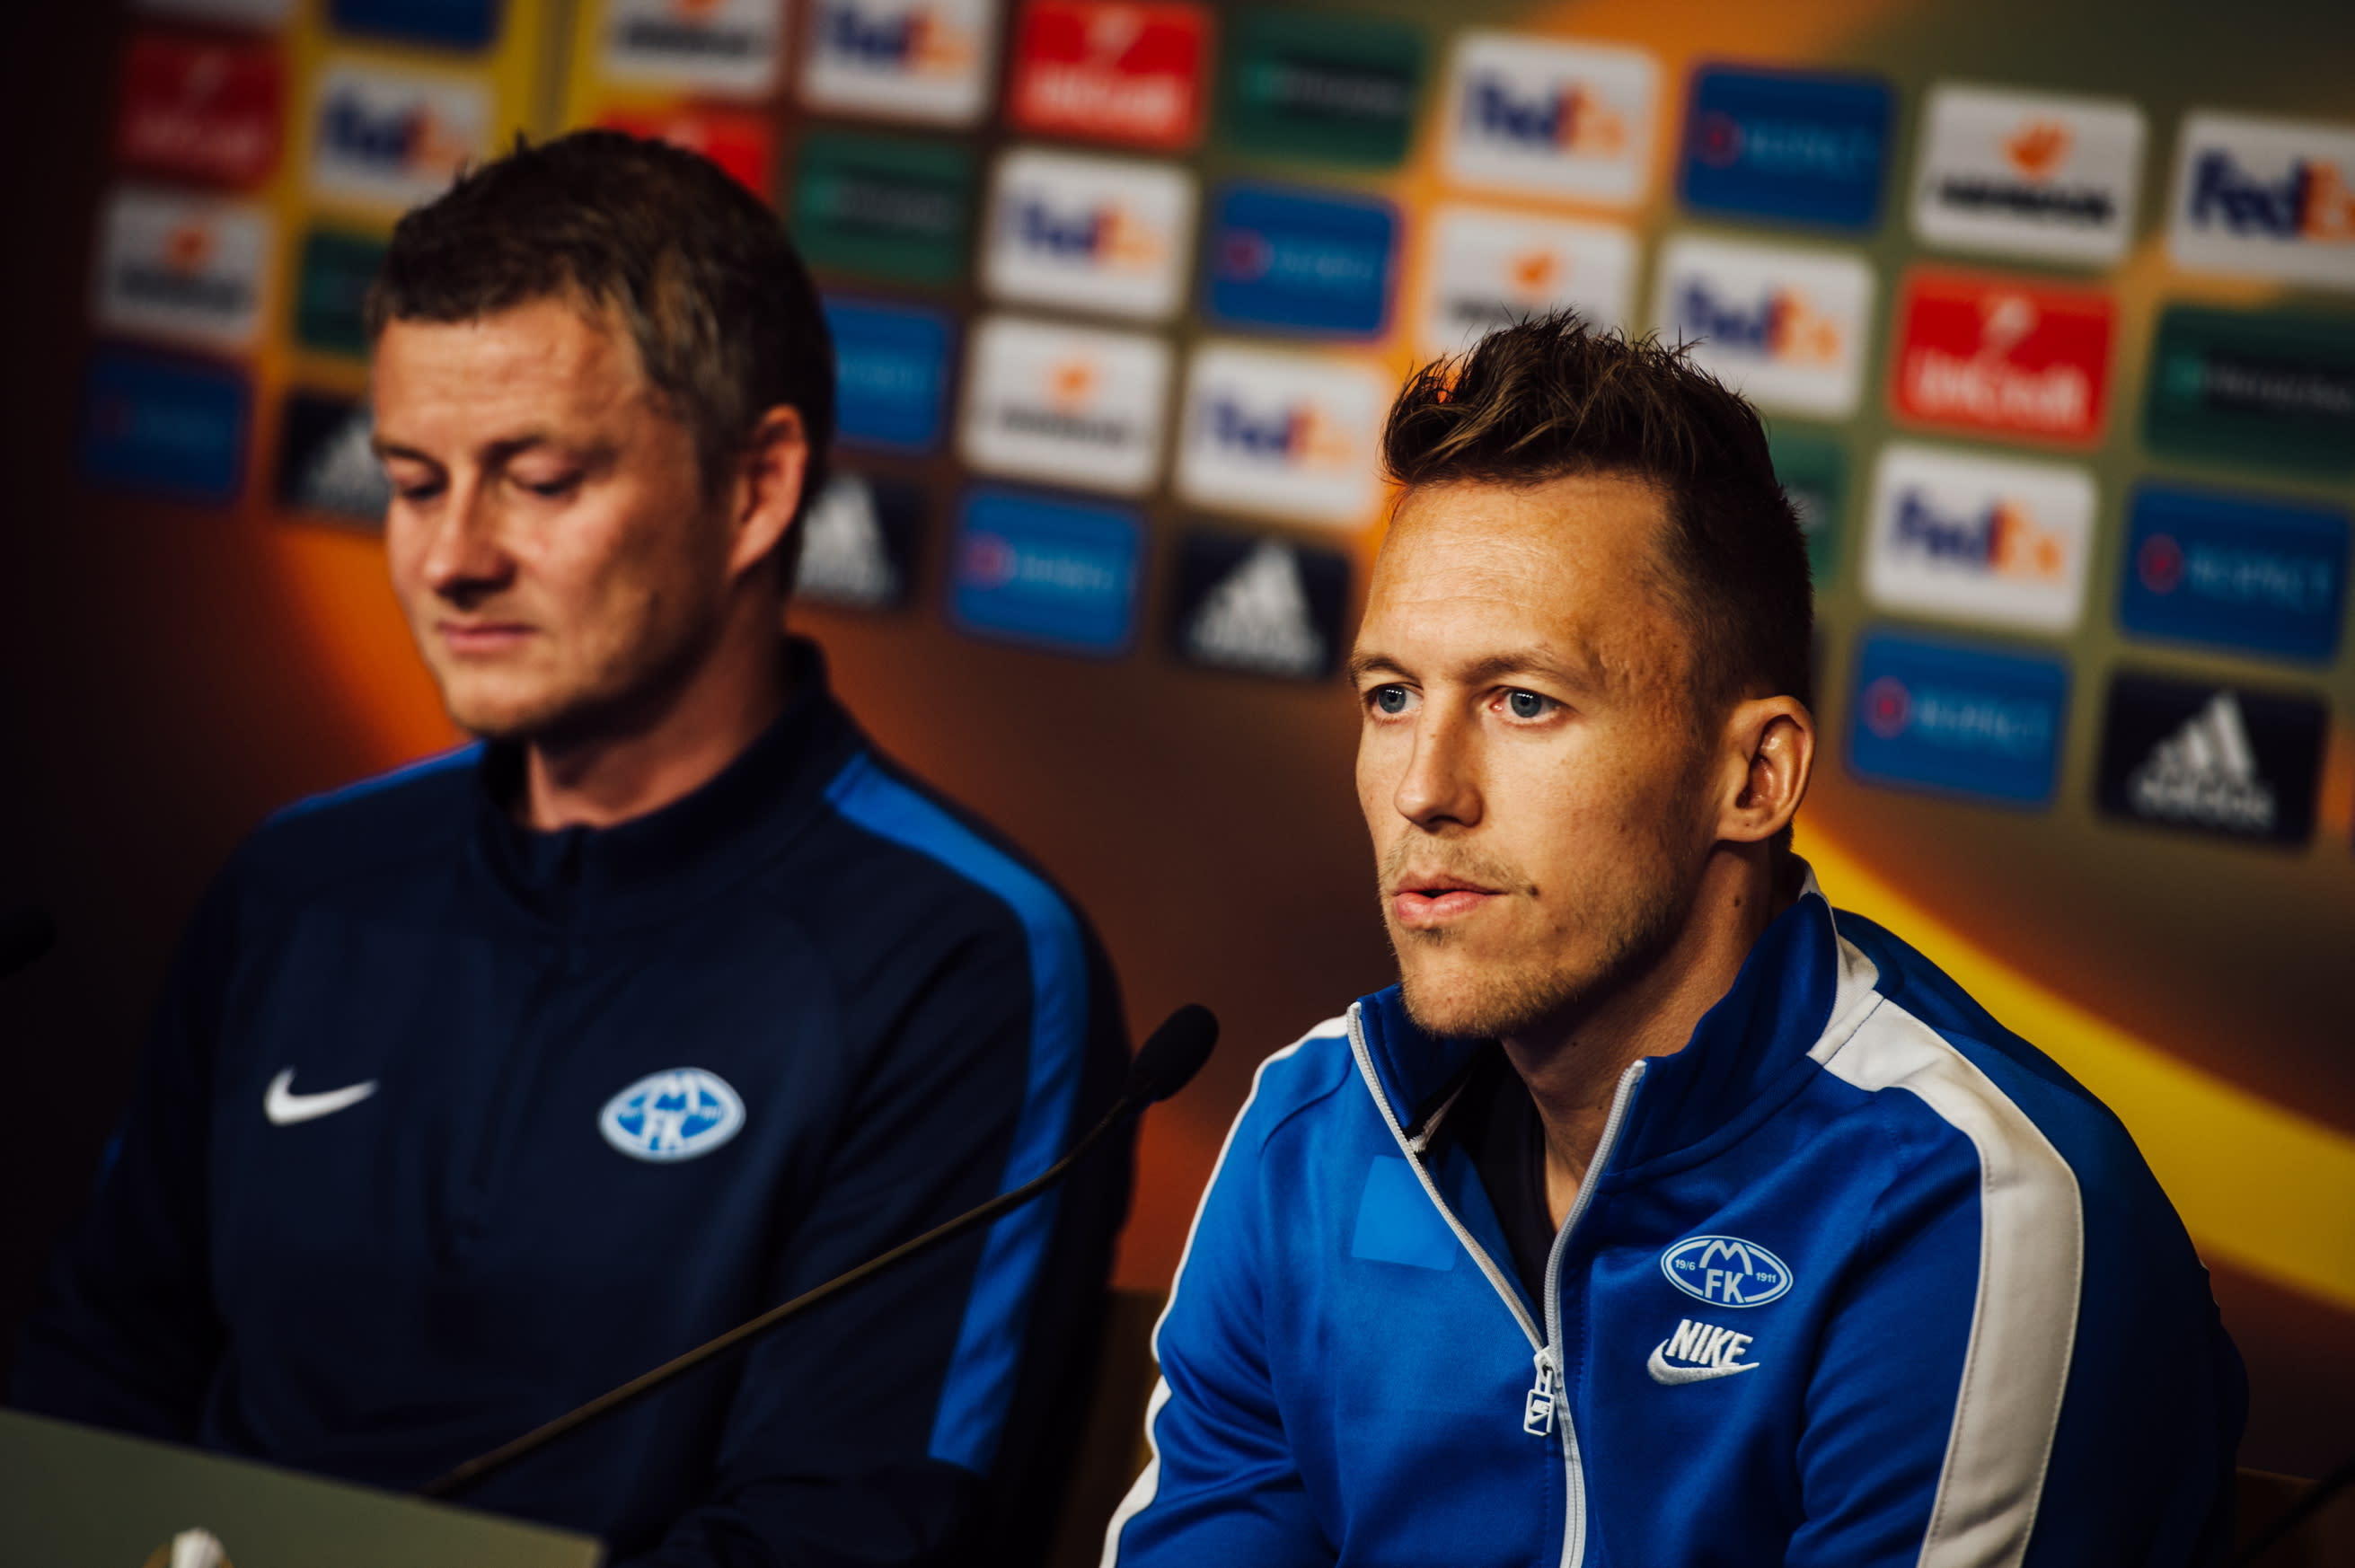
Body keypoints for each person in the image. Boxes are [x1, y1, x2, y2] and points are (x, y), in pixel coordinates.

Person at [13, 130, 1133, 1567]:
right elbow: (92, 1394)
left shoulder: (962, 959)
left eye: (538, 479)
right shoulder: (297, 883)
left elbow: (841, 1534)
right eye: (412, 480)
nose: (451, 558)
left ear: (756, 486)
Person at [1103, 314, 2245, 1567]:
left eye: (1522, 701)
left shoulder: (1958, 1202)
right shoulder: (1314, 1130)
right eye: (1392, 696)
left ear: (1752, 777)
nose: (1424, 789)